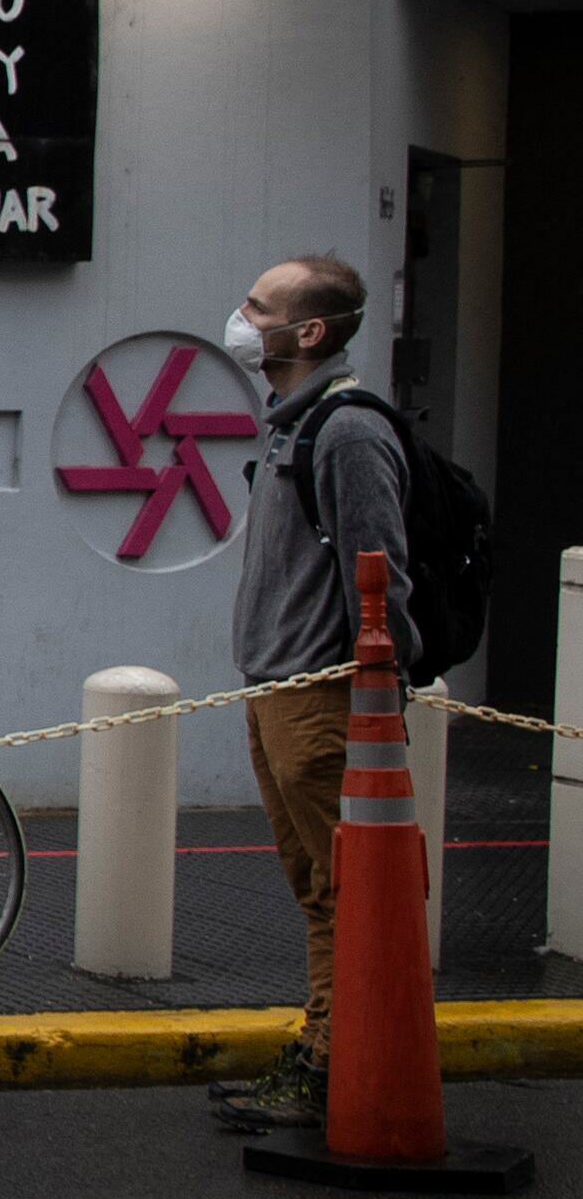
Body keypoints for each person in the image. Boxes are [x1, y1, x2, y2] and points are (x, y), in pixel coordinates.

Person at [213, 251, 413, 1134]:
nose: (243, 320)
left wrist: (375, 703)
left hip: (321, 697)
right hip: (275, 690)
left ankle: (338, 1064)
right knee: (315, 888)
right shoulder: (289, 422)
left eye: (259, 309)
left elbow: (382, 575)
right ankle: (325, 1048)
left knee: (349, 891)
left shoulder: (347, 431)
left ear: (311, 332)